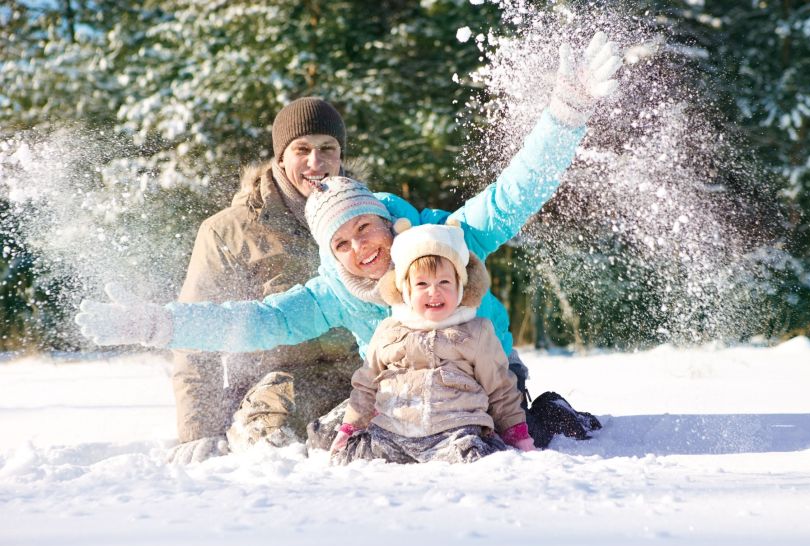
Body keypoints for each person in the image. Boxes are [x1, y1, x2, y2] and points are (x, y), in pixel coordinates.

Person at [76, 31, 622, 455]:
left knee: (491, 437)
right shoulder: (332, 291)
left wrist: (566, 114)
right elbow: (252, 321)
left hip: (485, 381)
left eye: (366, 229)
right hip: (404, 396)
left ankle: (547, 412)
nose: (360, 248)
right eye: (342, 243)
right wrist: (154, 324)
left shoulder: (444, 239)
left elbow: (515, 193)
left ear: (385, 221)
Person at [166, 97, 364, 464]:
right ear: (280, 156)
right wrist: (198, 430)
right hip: (271, 389)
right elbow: (196, 333)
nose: (315, 162)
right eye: (301, 149)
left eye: (328, 149)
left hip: (358, 379)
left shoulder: (368, 218)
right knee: (274, 450)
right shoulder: (229, 232)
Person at [331, 220, 536, 465]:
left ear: (460, 287)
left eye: (444, 283)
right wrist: (349, 427)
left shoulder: (476, 331)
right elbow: (366, 386)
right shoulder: (388, 331)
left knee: (478, 460)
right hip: (391, 433)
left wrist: (516, 432)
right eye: (422, 284)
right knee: (350, 458)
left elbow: (499, 389)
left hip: (455, 431)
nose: (433, 292)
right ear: (405, 290)